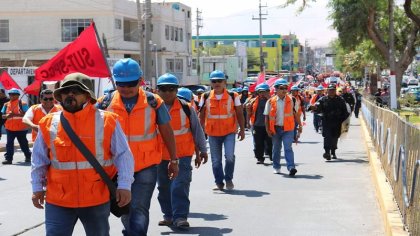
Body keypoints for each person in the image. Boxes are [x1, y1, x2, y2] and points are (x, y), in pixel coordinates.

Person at [31, 73, 134, 236]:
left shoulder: (108, 120)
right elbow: (39, 160)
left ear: (87, 96)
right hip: (58, 201)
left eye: (76, 91)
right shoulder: (47, 123)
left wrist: (124, 186)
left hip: (96, 200)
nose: (70, 94)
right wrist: (37, 187)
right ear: (60, 95)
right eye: (66, 91)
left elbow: (124, 156)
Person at [97, 58, 177, 236]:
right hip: (115, 168)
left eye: (131, 84)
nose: (126, 88)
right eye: (121, 84)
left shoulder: (154, 102)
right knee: (124, 208)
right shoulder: (104, 103)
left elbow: (167, 131)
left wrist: (174, 159)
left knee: (139, 207)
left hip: (145, 166)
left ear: (140, 81)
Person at [155, 74, 208, 229]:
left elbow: (197, 130)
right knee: (163, 187)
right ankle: (169, 216)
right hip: (159, 156)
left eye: (171, 88)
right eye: (163, 89)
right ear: (158, 90)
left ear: (177, 90)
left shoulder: (186, 108)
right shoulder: (151, 109)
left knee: (180, 185)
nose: (167, 92)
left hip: (182, 155)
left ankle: (180, 217)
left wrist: (202, 150)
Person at [199, 70, 245, 191]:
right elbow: (201, 114)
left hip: (229, 132)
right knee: (216, 160)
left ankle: (228, 179)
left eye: (220, 81)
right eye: (214, 81)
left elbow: (240, 113)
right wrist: (201, 131)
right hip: (213, 133)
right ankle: (219, 182)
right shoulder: (205, 96)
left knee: (229, 157)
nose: (217, 83)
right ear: (211, 83)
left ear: (225, 82)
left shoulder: (233, 96)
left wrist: (242, 129)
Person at [264, 79, 302, 176]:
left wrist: (300, 126)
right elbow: (267, 116)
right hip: (275, 129)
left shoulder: (292, 100)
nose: (284, 90)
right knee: (276, 148)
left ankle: (291, 167)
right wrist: (268, 129)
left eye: (286, 88)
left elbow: (296, 114)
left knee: (288, 147)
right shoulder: (270, 101)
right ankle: (276, 167)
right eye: (281, 88)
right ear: (276, 89)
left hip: (288, 129)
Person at [311, 84, 349, 160]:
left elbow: (345, 111)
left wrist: (344, 121)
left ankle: (333, 152)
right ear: (327, 90)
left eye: (333, 90)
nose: (331, 91)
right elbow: (317, 107)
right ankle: (327, 152)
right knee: (327, 137)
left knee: (335, 137)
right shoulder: (322, 99)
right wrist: (314, 108)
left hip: (337, 122)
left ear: (335, 91)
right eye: (330, 90)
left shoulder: (340, 100)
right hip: (326, 121)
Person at [1, 88, 31, 164]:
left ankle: (28, 156)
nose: (12, 96)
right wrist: (7, 116)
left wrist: (15, 114)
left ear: (18, 95)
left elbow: (28, 114)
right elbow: (3, 115)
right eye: (10, 94)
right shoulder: (6, 104)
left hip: (21, 128)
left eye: (14, 94)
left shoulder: (22, 103)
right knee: (9, 144)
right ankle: (8, 159)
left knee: (23, 144)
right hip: (9, 128)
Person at [247, 83, 272, 164]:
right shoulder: (253, 100)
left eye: (265, 91)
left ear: (268, 91)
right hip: (257, 125)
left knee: (270, 142)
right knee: (258, 143)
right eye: (260, 91)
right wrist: (247, 122)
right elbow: (248, 112)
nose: (262, 93)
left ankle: (272, 156)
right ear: (257, 92)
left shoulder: (273, 100)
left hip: (269, 125)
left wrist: (269, 98)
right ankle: (260, 158)